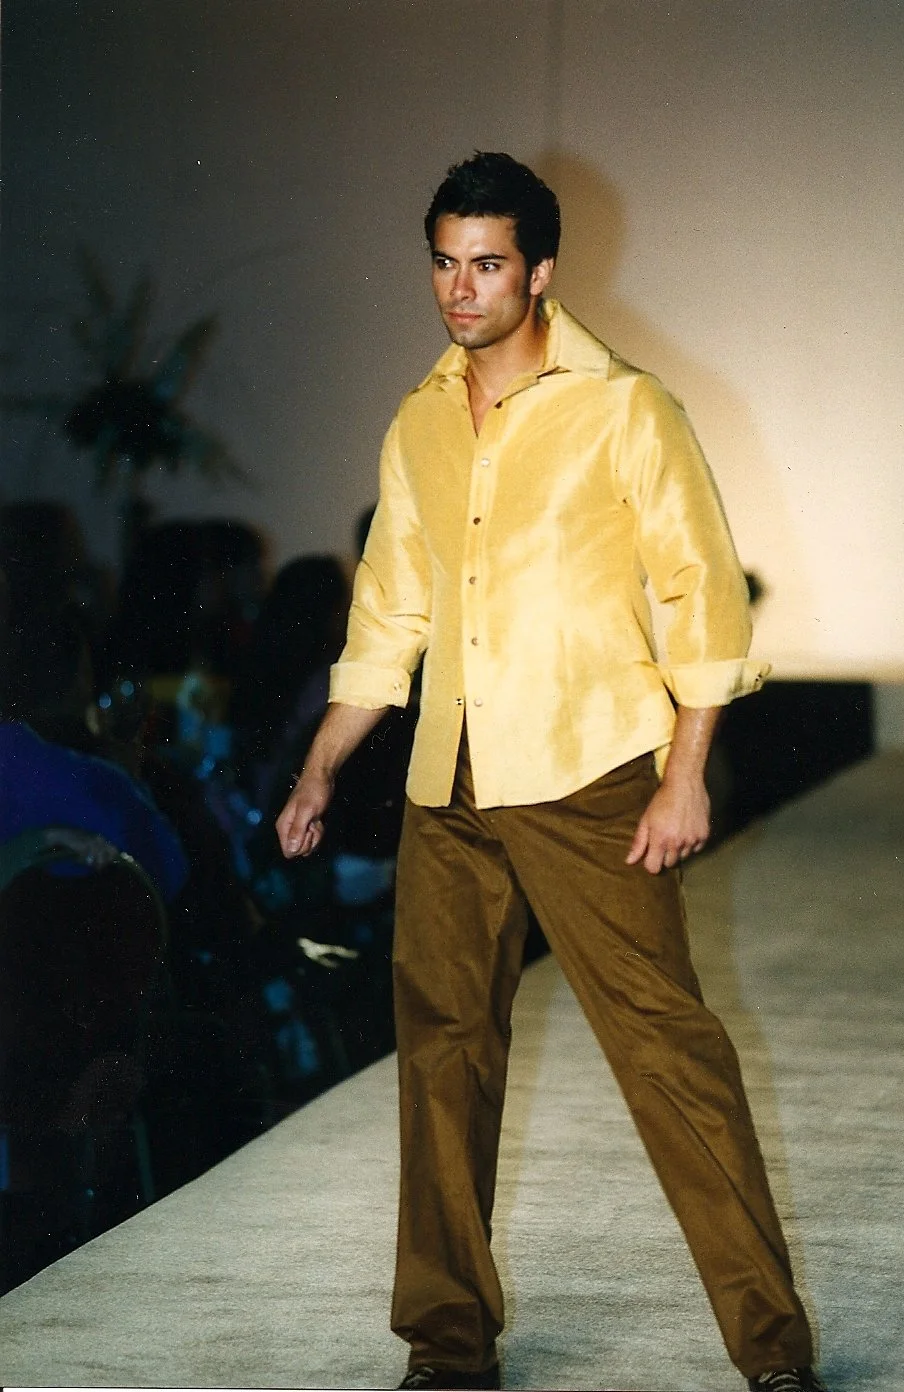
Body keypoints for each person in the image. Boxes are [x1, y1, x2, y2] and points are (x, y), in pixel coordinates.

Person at [277, 153, 827, 1392]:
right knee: (440, 1058)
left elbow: (705, 597)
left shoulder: (626, 409)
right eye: (443, 261)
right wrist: (321, 768)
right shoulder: (418, 418)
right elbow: (388, 616)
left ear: (540, 273)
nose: (460, 290)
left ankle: (773, 1353)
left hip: (590, 779)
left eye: (486, 264)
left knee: (667, 1055)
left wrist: (686, 776)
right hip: (449, 790)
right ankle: (448, 1345)